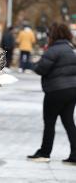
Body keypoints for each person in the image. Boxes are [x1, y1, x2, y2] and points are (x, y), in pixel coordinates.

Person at [28, 22, 76, 165]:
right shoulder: (71, 49)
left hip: (55, 91)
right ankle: (75, 154)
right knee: (69, 122)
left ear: (53, 35)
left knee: (49, 122)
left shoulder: (53, 50)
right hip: (72, 90)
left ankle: (44, 152)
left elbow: (41, 69)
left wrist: (34, 64)